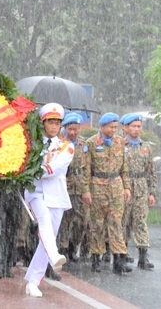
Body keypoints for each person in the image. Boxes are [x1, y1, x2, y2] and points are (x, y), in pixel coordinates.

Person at [23, 103, 73, 298]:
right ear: (43, 123)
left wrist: (36, 171)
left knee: (47, 237)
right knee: (44, 223)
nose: (53, 127)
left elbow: (57, 168)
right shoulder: (32, 144)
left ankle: (33, 281)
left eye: (57, 123)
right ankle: (54, 256)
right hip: (36, 192)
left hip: (57, 196)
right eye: (50, 122)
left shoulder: (66, 147)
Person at [82, 112, 132, 275]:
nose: (114, 130)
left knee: (116, 223)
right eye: (111, 127)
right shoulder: (91, 143)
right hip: (98, 187)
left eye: (116, 127)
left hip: (116, 187)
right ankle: (96, 258)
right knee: (97, 224)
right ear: (102, 127)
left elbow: (124, 168)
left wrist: (126, 188)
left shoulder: (120, 143)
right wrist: (86, 191)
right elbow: (86, 170)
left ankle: (119, 260)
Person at [120, 113, 156, 270]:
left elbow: (151, 171)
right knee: (124, 221)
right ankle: (121, 253)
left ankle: (143, 256)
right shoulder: (120, 145)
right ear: (125, 128)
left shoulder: (146, 147)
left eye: (138, 126)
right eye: (133, 126)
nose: (136, 129)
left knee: (140, 220)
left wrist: (152, 192)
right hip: (124, 186)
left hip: (141, 186)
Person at [58, 112, 90, 263]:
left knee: (82, 221)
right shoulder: (59, 143)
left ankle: (73, 246)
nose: (72, 132)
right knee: (64, 220)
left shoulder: (84, 146)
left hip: (80, 187)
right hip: (65, 186)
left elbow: (88, 168)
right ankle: (62, 249)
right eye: (70, 129)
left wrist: (86, 190)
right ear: (65, 128)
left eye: (75, 129)